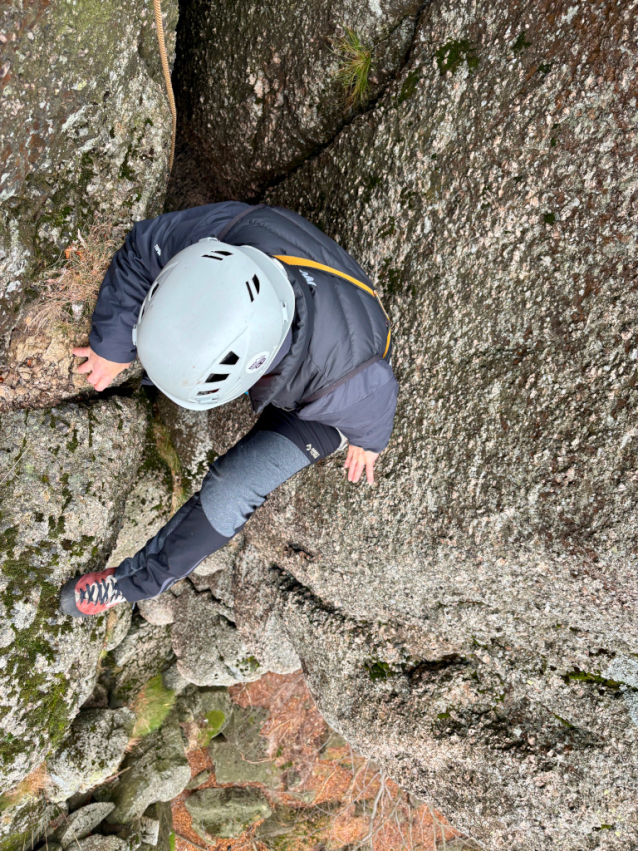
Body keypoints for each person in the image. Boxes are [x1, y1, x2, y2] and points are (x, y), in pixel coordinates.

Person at [60, 203, 398, 618]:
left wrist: (368, 439)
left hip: (325, 400)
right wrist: (111, 347)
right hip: (299, 291)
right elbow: (144, 247)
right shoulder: (226, 236)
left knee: (231, 489)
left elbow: (379, 393)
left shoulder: (348, 383)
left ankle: (131, 586)